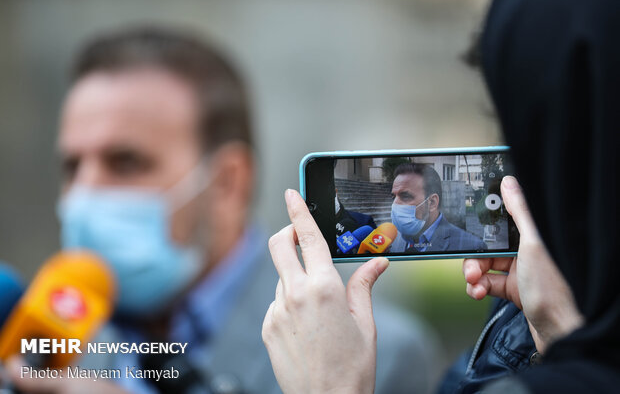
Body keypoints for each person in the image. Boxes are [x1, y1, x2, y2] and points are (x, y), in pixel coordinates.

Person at [4, 26, 437, 394]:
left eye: (125, 162)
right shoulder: (48, 340)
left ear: (228, 182)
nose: (85, 192)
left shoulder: (368, 352)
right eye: (72, 166)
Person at [262, 0, 620, 392]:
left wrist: (333, 386)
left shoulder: (462, 246)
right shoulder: (532, 317)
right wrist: (565, 339)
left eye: (524, 129)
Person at [389, 163, 486, 253]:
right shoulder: (393, 239)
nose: (395, 204)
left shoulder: (472, 246)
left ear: (432, 202)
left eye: (405, 196)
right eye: (394, 197)